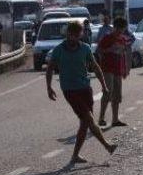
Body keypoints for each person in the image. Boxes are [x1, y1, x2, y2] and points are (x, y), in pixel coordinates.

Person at [46, 21, 117, 164]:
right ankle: (107, 145)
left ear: (80, 35)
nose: (74, 38)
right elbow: (50, 68)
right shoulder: (59, 50)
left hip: (85, 89)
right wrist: (49, 87)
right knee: (89, 119)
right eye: (71, 35)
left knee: (85, 124)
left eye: (77, 35)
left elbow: (95, 67)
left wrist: (104, 86)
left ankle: (75, 156)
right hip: (70, 90)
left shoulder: (85, 48)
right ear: (67, 34)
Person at [98, 17, 130, 128]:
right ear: (114, 27)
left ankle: (115, 119)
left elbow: (123, 54)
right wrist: (109, 49)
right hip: (107, 69)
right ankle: (101, 118)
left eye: (122, 30)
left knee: (117, 95)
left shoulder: (122, 39)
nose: (120, 32)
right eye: (119, 30)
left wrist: (125, 68)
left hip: (118, 69)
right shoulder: (107, 38)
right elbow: (99, 50)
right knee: (108, 92)